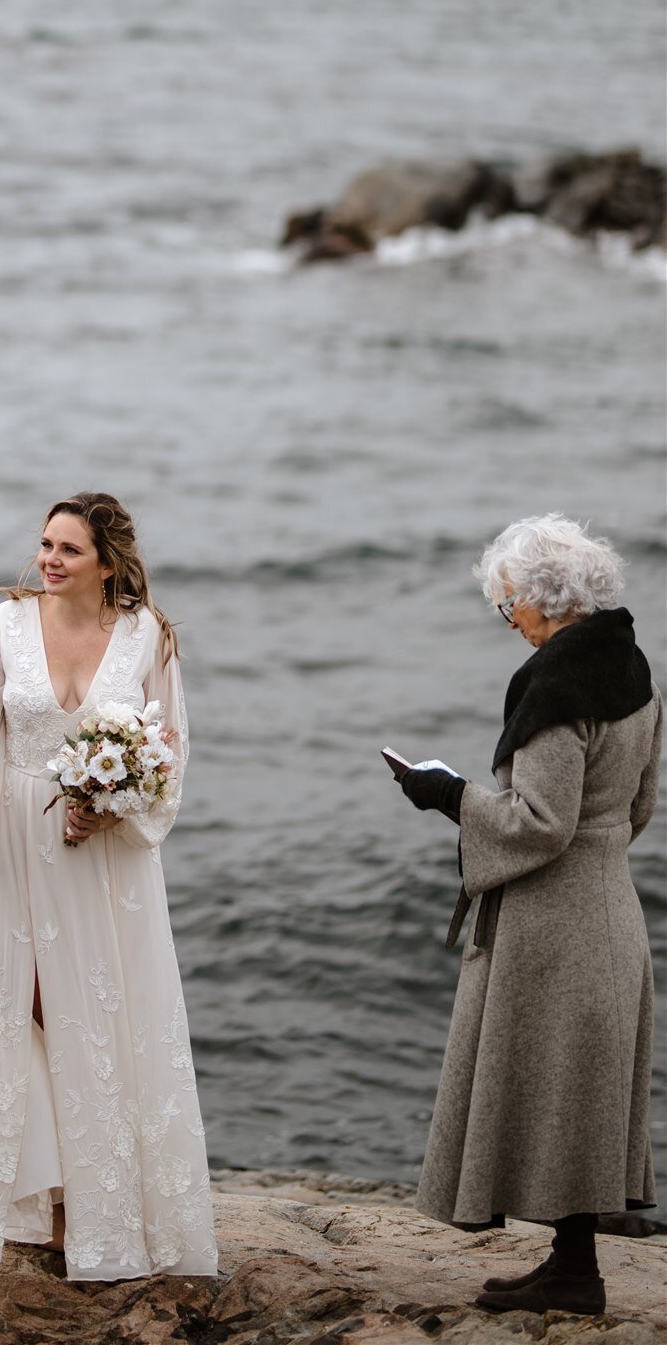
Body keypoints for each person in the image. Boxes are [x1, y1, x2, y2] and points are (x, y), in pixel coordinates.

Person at [0, 492, 219, 1280]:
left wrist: (116, 810)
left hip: (101, 858)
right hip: (10, 846)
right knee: (7, 1010)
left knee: (96, 1022)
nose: (49, 560)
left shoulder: (147, 637)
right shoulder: (3, 625)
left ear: (106, 561)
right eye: (44, 544)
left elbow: (168, 755)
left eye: (67, 549)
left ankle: (88, 1216)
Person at [397, 513, 661, 1317]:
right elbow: (641, 803)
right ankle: (570, 1270)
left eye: (507, 605)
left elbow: (540, 823)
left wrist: (445, 795)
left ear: (542, 600)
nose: (509, 621)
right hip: (611, 910)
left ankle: (573, 1273)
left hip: (552, 928)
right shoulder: (633, 666)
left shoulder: (554, 683)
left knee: (548, 1088)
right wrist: (594, 853)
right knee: (576, 1096)